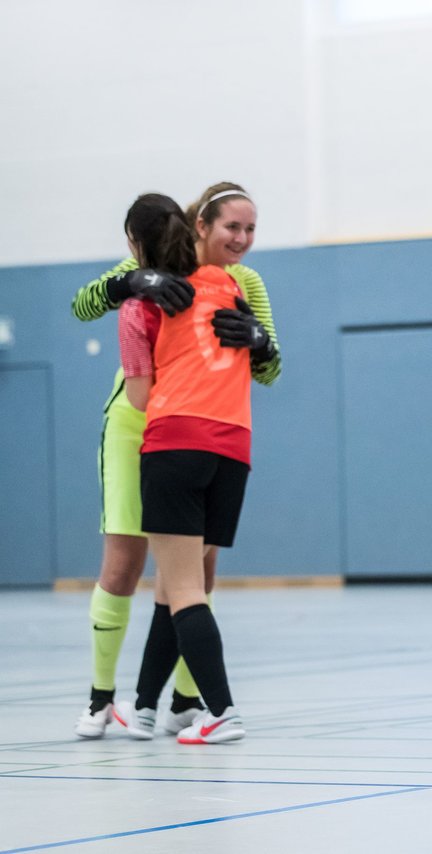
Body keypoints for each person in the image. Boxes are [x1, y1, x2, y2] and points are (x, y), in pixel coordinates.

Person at [71, 183, 278, 739]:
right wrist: (127, 282)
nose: (241, 239)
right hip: (140, 423)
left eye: (250, 229)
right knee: (125, 561)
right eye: (232, 227)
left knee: (189, 574)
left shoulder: (244, 284)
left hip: (193, 428)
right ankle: (100, 699)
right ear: (200, 226)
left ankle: (180, 700)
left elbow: (269, 369)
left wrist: (262, 343)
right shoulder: (150, 262)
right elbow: (83, 303)